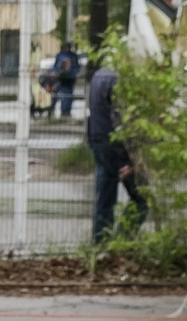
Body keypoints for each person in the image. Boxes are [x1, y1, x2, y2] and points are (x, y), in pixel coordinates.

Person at [86, 58, 145, 242]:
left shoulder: (98, 76)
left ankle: (100, 243)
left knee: (104, 200)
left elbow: (94, 115)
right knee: (142, 199)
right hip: (116, 148)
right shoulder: (118, 80)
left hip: (99, 142)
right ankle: (122, 240)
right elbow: (120, 121)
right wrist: (129, 160)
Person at [44, 43, 82, 121]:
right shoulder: (65, 56)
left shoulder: (71, 56)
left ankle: (65, 112)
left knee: (66, 96)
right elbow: (56, 66)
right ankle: (60, 111)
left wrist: (72, 73)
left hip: (67, 79)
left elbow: (75, 67)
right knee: (62, 95)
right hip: (61, 78)